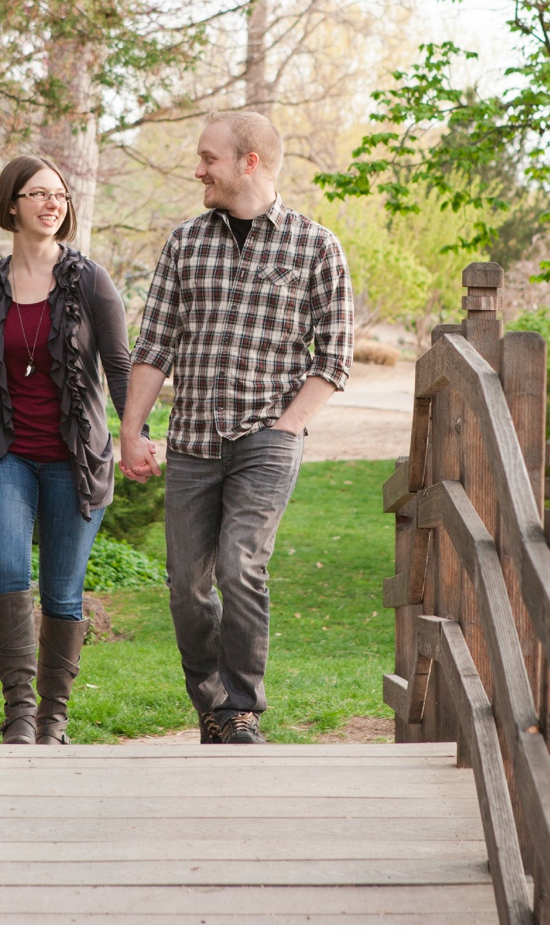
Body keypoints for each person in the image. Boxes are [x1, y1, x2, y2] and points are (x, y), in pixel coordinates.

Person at [119, 111, 352, 745]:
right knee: (186, 588)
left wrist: (286, 429)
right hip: (192, 439)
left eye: (208, 158)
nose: (198, 170)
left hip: (266, 441)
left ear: (249, 163)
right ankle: (213, 707)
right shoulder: (184, 242)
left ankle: (243, 707)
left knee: (240, 566)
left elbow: (333, 360)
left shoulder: (316, 247)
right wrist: (132, 430)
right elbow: (154, 345)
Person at [0, 157, 140, 744]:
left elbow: (119, 366)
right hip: (7, 456)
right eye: (38, 194)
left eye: (60, 195)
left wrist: (132, 436)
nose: (52, 204)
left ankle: (53, 718)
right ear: (11, 205)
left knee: (63, 591)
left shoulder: (91, 282)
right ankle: (20, 715)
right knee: (6, 569)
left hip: (75, 460)